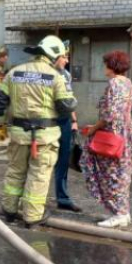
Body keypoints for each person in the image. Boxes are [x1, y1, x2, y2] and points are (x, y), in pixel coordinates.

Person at [0, 35, 77, 228]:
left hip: (18, 134)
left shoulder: (14, 73)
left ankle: (9, 209)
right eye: (63, 56)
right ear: (54, 55)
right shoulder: (56, 76)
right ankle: (32, 216)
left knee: (15, 171)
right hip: (44, 137)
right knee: (38, 175)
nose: (64, 60)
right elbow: (66, 106)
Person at [81, 51, 132, 228]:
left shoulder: (114, 83)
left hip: (112, 135)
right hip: (126, 134)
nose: (103, 67)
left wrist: (93, 129)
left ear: (111, 66)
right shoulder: (128, 83)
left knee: (111, 174)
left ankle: (118, 214)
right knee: (122, 173)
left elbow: (110, 115)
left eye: (105, 64)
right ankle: (124, 212)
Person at [52, 40, 82, 213]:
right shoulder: (46, 73)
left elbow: (69, 100)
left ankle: (62, 198)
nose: (66, 60)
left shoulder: (66, 75)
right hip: (48, 121)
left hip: (64, 121)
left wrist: (74, 121)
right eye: (64, 56)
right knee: (42, 161)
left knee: (63, 160)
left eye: (67, 56)